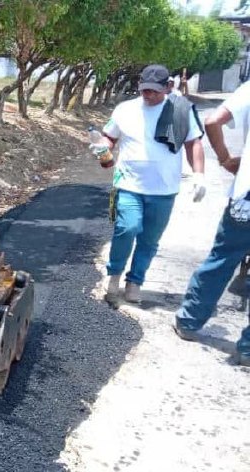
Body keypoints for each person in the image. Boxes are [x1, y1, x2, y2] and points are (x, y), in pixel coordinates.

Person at [92, 64, 206, 304]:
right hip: (129, 185)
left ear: (168, 87)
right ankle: (114, 274)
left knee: (149, 240)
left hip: (164, 190)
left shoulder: (180, 111)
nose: (148, 95)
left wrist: (199, 175)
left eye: (154, 91)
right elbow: (109, 136)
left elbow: (193, 143)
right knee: (127, 228)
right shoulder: (125, 109)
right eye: (144, 90)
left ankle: (135, 281)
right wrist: (102, 147)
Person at [173, 81, 250, 367]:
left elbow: (213, 120)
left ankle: (189, 321)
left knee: (222, 260)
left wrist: (226, 158)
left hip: (246, 201)